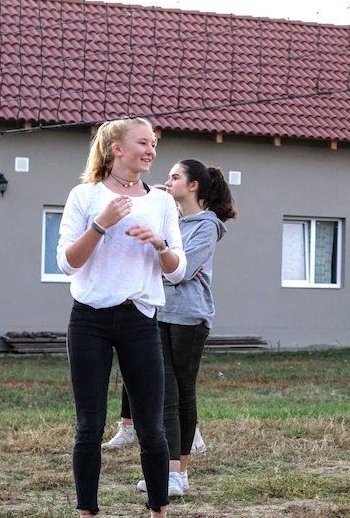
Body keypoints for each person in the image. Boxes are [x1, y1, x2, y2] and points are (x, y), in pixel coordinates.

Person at [57, 117, 187, 518]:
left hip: (139, 320)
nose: (151, 151)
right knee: (89, 426)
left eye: (154, 144)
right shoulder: (85, 195)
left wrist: (161, 245)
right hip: (89, 321)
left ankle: (158, 510)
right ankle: (87, 512)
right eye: (143, 143)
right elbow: (67, 263)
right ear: (117, 149)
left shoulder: (161, 202)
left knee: (151, 426)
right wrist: (101, 224)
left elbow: (177, 271)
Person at [104, 158, 236, 497]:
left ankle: (178, 473)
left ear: (193, 186)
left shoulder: (206, 226)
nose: (167, 181)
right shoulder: (171, 220)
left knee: (181, 393)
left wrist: (162, 265)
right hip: (159, 312)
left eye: (174, 177)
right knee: (165, 394)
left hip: (189, 317)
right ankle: (171, 472)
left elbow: (182, 271)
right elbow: (159, 264)